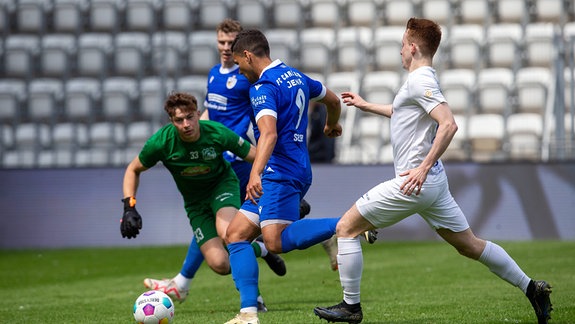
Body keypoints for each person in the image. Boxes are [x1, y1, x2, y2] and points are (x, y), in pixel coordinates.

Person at [313, 17, 552, 324]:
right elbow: (404, 112)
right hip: (432, 183)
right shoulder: (421, 80)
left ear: (412, 48)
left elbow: (449, 124)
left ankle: (351, 307)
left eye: (402, 45)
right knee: (470, 245)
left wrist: (422, 167)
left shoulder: (420, 80)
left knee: (346, 228)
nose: (400, 51)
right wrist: (366, 104)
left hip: (416, 181)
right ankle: (531, 287)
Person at [120, 92, 285, 312]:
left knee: (228, 234)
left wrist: (283, 189)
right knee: (220, 264)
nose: (186, 124)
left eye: (190, 117)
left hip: (222, 187)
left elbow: (257, 156)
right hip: (195, 203)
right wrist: (129, 206)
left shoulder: (216, 133)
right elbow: (133, 169)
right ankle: (262, 250)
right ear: (171, 121)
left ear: (199, 114)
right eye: (179, 120)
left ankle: (253, 299)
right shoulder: (161, 142)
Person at [222, 29, 344, 324]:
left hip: (279, 172)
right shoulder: (296, 76)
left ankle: (345, 224)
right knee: (235, 235)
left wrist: (255, 173)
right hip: (298, 168)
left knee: (274, 242)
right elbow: (334, 100)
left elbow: (268, 133)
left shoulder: (262, 87)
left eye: (239, 63)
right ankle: (248, 313)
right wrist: (331, 126)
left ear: (249, 56)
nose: (240, 70)